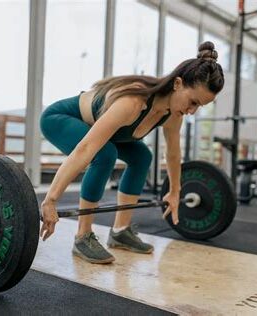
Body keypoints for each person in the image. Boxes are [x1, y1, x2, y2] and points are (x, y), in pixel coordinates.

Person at [39, 41, 224, 264]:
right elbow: (86, 148)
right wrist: (51, 200)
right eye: (192, 102)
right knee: (104, 154)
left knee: (142, 157)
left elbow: (173, 154)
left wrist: (175, 191)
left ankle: (120, 231)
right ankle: (83, 236)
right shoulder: (133, 103)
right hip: (61, 119)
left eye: (199, 107)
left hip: (106, 132)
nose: (192, 111)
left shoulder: (174, 115)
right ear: (177, 83)